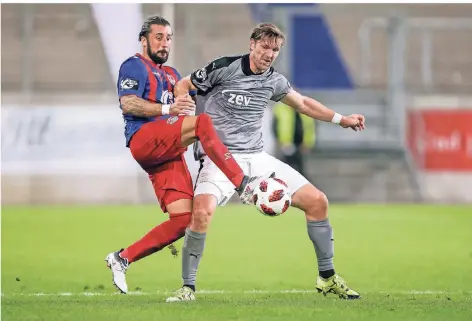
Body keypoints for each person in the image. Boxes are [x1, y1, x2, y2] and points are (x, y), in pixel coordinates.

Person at [166, 23, 365, 302]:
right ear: (252, 44)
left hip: (256, 157)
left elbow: (304, 104)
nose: (269, 54)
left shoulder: (274, 81)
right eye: (265, 47)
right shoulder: (224, 67)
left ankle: (327, 278)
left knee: (317, 201)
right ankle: (187, 287)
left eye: (275, 50)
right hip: (219, 157)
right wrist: (181, 98)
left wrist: (341, 119)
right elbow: (184, 84)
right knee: (201, 214)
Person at [105, 16, 265, 294]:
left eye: (168, 38)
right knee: (202, 124)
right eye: (158, 37)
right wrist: (169, 110)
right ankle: (243, 183)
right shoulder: (134, 65)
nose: (164, 43)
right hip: (144, 139)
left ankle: (122, 258)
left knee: (183, 221)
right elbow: (128, 103)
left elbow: (190, 98)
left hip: (166, 151)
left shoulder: (172, 74)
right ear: (143, 40)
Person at [272, 101, 316, 178]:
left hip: (301, 144)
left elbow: (310, 128)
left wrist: (308, 143)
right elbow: (275, 126)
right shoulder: (281, 109)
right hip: (286, 145)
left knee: (300, 169)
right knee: (284, 167)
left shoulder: (306, 111)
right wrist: (281, 142)